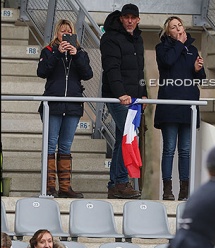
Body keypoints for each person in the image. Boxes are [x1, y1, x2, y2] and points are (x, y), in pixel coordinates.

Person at [37, 19, 93, 198]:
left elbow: (88, 74)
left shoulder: (80, 53)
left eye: (69, 32)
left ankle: (65, 188)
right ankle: (49, 187)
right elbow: (42, 72)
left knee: (66, 146)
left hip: (73, 105)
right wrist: (57, 54)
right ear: (57, 34)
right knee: (50, 143)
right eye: (62, 32)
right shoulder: (48, 50)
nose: (65, 35)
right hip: (53, 104)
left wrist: (75, 55)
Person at [154, 16, 206, 201]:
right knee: (169, 148)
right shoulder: (162, 48)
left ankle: (185, 188)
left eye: (180, 25)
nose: (178, 29)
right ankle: (167, 188)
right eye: (174, 27)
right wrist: (179, 44)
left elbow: (201, 79)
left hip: (188, 105)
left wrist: (198, 69)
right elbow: (168, 62)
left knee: (185, 149)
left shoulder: (192, 49)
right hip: (169, 105)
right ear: (168, 32)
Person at [100, 3, 146, 199]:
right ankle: (120, 181)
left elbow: (139, 71)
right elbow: (112, 68)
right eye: (126, 17)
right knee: (128, 136)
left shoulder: (138, 39)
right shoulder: (110, 38)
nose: (129, 21)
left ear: (138, 20)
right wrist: (120, 94)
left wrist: (143, 93)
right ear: (121, 18)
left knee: (122, 139)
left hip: (134, 98)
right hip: (117, 97)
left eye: (133, 17)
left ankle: (115, 184)